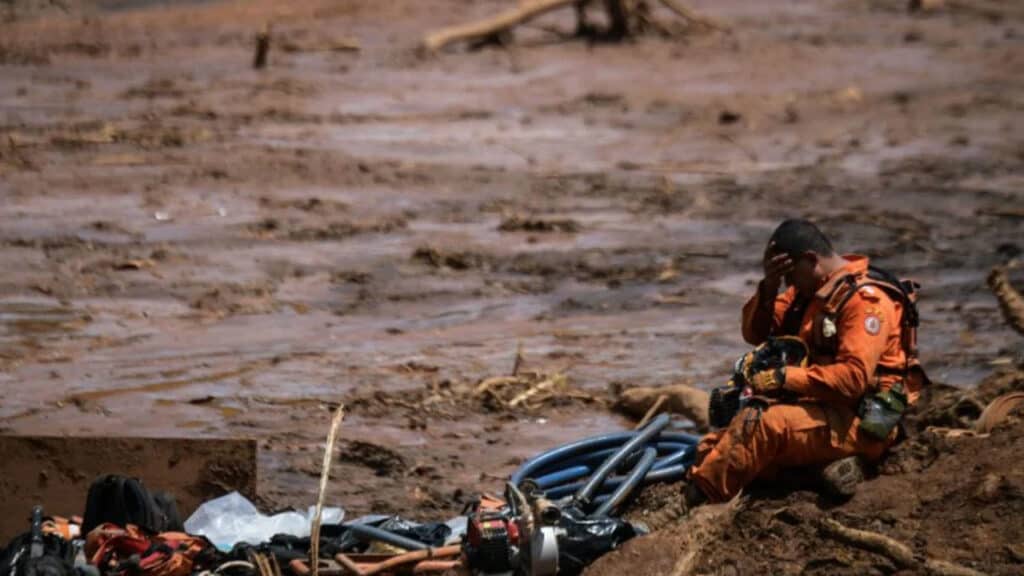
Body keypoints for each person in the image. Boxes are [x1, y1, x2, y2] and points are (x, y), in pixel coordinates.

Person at [685, 219, 927, 505]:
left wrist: (785, 378)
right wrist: (769, 286)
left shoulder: (864, 302)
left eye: (790, 276)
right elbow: (755, 333)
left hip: (861, 421)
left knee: (761, 425)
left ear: (811, 260)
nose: (790, 284)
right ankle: (820, 475)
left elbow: (852, 380)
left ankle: (693, 504)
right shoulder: (809, 292)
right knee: (711, 449)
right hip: (820, 409)